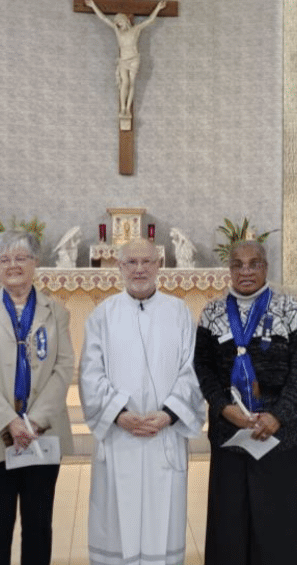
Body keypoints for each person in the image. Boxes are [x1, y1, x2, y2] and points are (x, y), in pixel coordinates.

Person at [79, 238, 205, 565]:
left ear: (158, 265)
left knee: (161, 518)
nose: (139, 269)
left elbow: (193, 369)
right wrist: (118, 413)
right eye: (131, 263)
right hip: (121, 436)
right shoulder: (103, 314)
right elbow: (90, 372)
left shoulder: (178, 312)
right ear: (119, 267)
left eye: (146, 262)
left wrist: (169, 414)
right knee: (117, 520)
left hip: (164, 434)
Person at [193, 240, 297, 565]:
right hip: (231, 434)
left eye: (254, 263)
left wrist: (278, 415)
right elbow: (202, 368)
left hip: (281, 436)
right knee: (231, 524)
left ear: (266, 267)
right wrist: (222, 407)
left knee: (279, 527)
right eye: (238, 264)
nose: (245, 271)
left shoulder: (290, 308)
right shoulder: (212, 311)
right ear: (230, 269)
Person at [0, 230, 75, 565]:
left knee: (39, 524)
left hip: (41, 434)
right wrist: (10, 421)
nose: (13, 265)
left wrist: (35, 420)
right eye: (4, 259)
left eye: (21, 257)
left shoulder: (55, 311)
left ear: (35, 263)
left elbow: (64, 365)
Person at [85, 0, 167, 119]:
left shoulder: (136, 30)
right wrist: (93, 6)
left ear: (126, 21)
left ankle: (128, 109)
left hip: (134, 59)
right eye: (117, 23)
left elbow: (150, 20)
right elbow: (104, 18)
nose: (118, 25)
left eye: (120, 22)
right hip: (123, 60)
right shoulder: (118, 32)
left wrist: (158, 8)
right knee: (125, 83)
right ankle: (123, 108)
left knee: (132, 83)